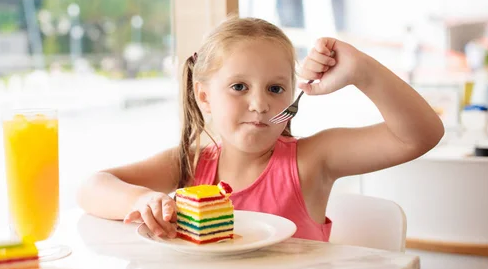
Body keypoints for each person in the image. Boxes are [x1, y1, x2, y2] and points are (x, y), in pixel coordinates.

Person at [76, 16, 444, 241]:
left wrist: (361, 71)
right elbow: (92, 187)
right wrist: (140, 200)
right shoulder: (188, 165)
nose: (259, 104)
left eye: (275, 88)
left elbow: (421, 134)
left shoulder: (311, 161)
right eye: (239, 87)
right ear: (204, 96)